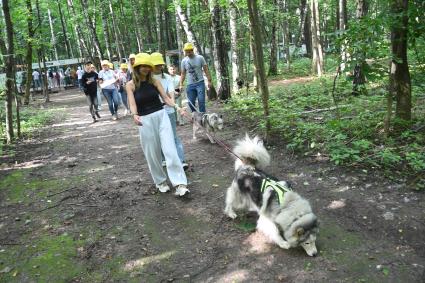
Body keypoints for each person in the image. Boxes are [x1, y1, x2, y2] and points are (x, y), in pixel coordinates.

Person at [126, 53, 190, 196]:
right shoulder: (130, 85)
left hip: (161, 116)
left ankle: (180, 183)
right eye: (142, 66)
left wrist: (177, 107)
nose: (146, 69)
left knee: (170, 150)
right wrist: (134, 115)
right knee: (152, 153)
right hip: (144, 120)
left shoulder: (154, 81)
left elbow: (166, 98)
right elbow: (132, 103)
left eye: (148, 66)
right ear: (137, 67)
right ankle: (160, 181)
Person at [151, 52, 188, 170]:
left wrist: (176, 107)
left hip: (169, 110)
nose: (158, 67)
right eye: (156, 65)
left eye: (160, 65)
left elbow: (171, 96)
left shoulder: (167, 78)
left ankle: (181, 160)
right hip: (155, 112)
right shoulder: (148, 79)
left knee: (173, 136)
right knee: (159, 137)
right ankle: (163, 160)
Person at [179, 42, 213, 113]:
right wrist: (181, 84)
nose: (188, 52)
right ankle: (195, 116)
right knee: (190, 102)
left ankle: (203, 118)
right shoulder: (184, 61)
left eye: (190, 51)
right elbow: (183, 73)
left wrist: (209, 81)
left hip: (200, 83)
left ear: (192, 50)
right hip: (190, 85)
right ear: (185, 51)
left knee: (201, 102)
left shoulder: (200, 58)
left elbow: (206, 69)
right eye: (187, 51)